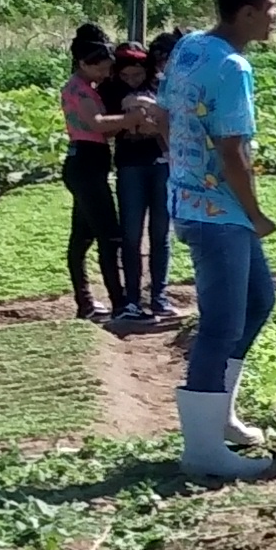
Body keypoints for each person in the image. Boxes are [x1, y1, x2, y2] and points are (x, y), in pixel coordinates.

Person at [166, 0, 276, 480]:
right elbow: (232, 150)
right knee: (219, 324)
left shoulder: (190, 45)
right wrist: (255, 213)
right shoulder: (233, 67)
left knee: (260, 301)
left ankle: (221, 414)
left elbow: (169, 117)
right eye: (272, 7)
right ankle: (202, 449)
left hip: (191, 201)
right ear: (247, 13)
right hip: (219, 214)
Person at [58, 21, 129, 322]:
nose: (105, 75)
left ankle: (85, 301)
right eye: (100, 68)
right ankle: (119, 301)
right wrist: (131, 118)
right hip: (87, 163)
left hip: (88, 163)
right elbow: (98, 124)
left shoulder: (85, 86)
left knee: (82, 236)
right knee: (108, 235)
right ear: (84, 63)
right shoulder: (80, 90)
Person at [111, 34, 177, 327]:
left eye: (137, 74)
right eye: (126, 75)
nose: (132, 79)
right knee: (131, 234)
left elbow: (165, 121)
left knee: (161, 234)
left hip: (161, 165)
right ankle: (133, 299)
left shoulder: (161, 86)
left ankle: (159, 297)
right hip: (129, 166)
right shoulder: (113, 91)